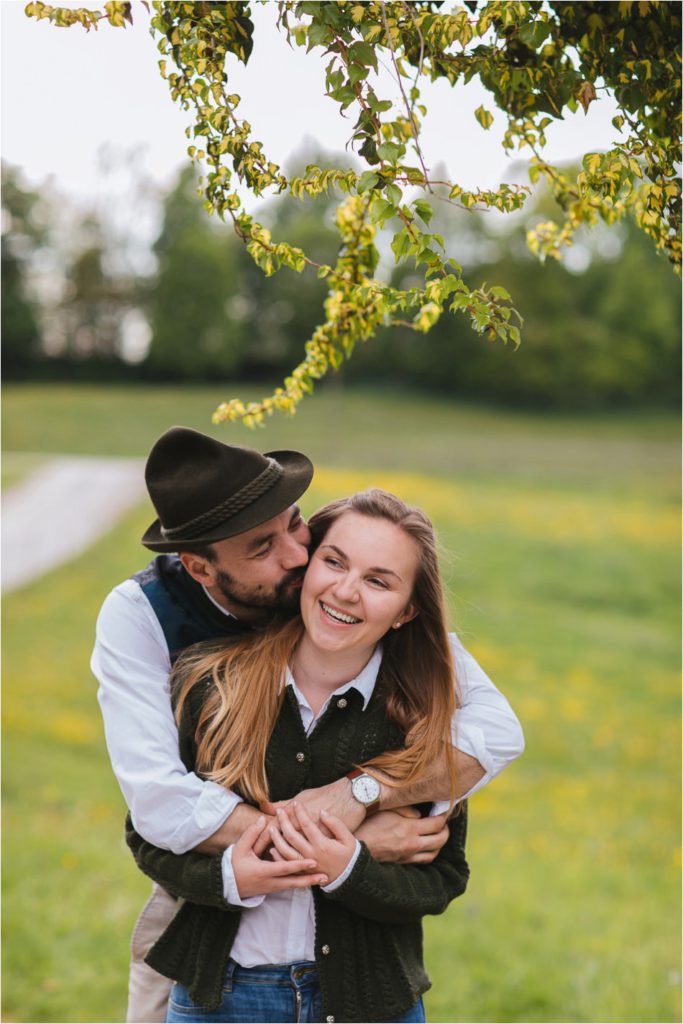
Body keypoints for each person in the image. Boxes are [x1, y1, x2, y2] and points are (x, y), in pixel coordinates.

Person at [91, 427, 524, 1022]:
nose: (298, 556)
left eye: (296, 525)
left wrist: (362, 794)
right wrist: (336, 848)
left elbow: (496, 731)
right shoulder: (146, 622)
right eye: (263, 548)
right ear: (201, 567)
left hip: (354, 975)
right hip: (206, 898)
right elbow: (158, 810)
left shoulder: (376, 630)